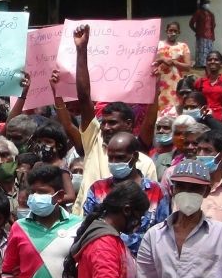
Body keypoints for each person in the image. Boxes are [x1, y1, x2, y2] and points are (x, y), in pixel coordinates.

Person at [68, 25, 158, 215]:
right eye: (104, 122)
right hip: (87, 228)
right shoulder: (94, 140)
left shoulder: (145, 163)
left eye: (113, 123)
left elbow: (151, 205)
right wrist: (81, 50)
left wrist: (156, 86)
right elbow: (84, 97)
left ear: (129, 124)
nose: (106, 127)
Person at [84, 132, 170, 255]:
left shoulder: (156, 191)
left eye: (119, 158)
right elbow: (88, 227)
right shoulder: (97, 189)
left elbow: (163, 235)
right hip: (104, 257)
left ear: (134, 157)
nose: (113, 163)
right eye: (110, 158)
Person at [155, 22, 192, 110]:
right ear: (166, 31)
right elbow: (151, 61)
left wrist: (174, 62)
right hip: (160, 80)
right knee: (160, 104)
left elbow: (188, 67)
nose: (173, 33)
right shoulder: (158, 45)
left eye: (175, 31)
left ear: (179, 32)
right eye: (171, 30)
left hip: (176, 82)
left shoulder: (183, 46)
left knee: (176, 105)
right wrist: (162, 59)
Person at [194, 51, 222, 121]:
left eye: (216, 60)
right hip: (202, 116)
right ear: (206, 63)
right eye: (210, 60)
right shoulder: (200, 82)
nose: (212, 61)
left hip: (220, 118)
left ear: (221, 64)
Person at [189, 0, 216, 68]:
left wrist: (211, 31)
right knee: (201, 51)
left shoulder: (211, 14)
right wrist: (197, 31)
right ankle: (201, 65)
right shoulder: (198, 12)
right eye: (206, 3)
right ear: (202, 4)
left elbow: (214, 24)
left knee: (209, 50)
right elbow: (191, 23)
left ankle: (208, 63)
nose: (207, 5)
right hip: (201, 35)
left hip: (210, 36)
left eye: (208, 3)